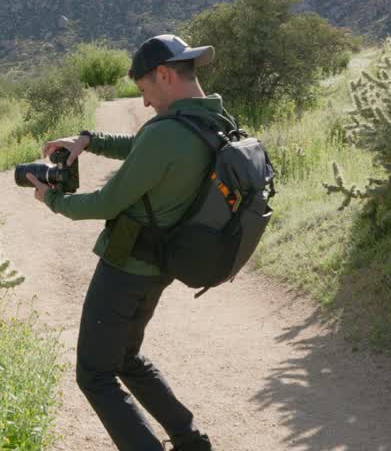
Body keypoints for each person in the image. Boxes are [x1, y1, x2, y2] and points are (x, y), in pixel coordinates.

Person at [25, 34, 237, 451]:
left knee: (94, 374)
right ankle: (189, 439)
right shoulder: (211, 117)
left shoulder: (169, 132)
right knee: (126, 358)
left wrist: (51, 198)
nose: (143, 103)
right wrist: (90, 140)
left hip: (126, 268)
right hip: (160, 265)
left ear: (163, 74)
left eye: (143, 91)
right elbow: (147, 150)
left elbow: (107, 201)